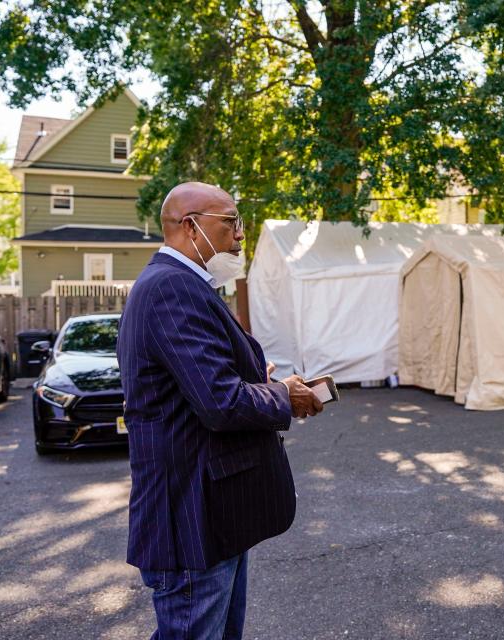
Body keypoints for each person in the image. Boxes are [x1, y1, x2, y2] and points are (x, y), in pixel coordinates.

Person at [117, 182, 324, 639]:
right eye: (231, 222)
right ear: (191, 226)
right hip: (193, 518)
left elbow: (199, 383)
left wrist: (257, 378)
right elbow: (220, 402)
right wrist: (284, 395)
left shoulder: (181, 285)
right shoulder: (173, 288)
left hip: (211, 515)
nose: (240, 235)